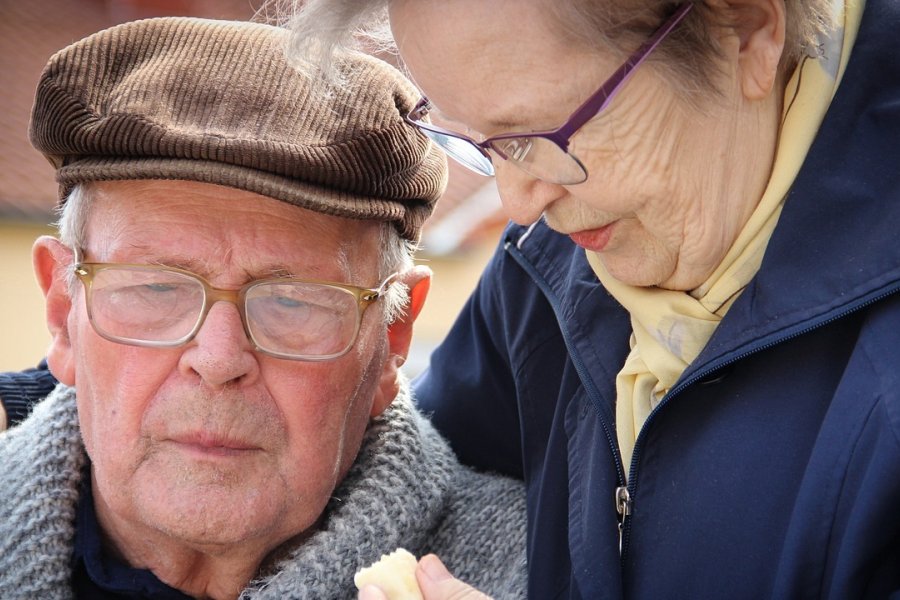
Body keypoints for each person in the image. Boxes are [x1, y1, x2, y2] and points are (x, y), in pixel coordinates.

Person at [280, 0, 897, 598]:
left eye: (547, 132)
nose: (520, 205)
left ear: (746, 30)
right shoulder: (547, 270)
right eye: (484, 142)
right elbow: (425, 478)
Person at [0, 17, 527, 600]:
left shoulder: (543, 571)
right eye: (155, 289)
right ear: (63, 311)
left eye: (292, 301)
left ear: (392, 336)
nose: (220, 359)